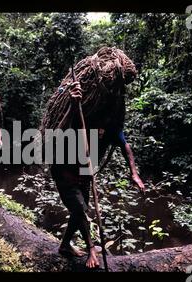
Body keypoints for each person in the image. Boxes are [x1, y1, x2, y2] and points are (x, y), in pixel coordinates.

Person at [44, 47, 145, 269]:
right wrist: (73, 103)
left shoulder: (112, 119)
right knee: (81, 209)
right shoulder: (81, 107)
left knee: (79, 209)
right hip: (64, 166)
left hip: (85, 171)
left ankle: (64, 245)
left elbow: (125, 145)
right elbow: (62, 127)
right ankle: (91, 248)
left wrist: (134, 173)